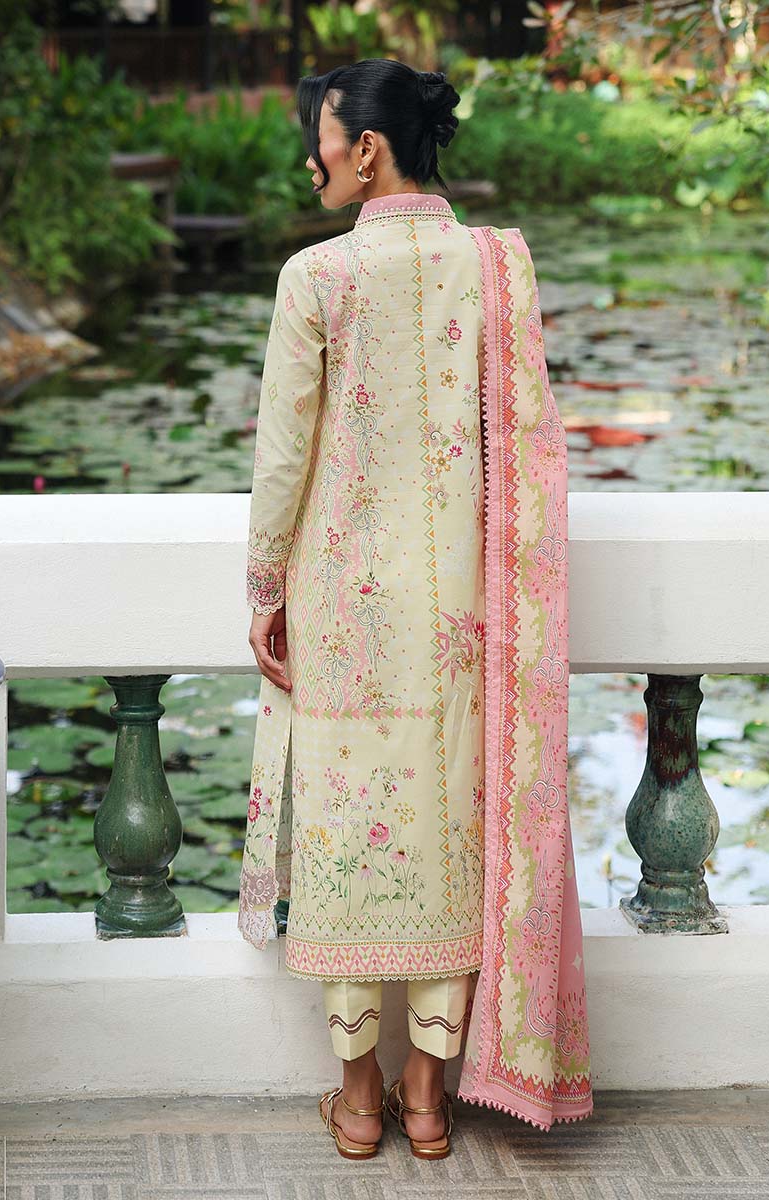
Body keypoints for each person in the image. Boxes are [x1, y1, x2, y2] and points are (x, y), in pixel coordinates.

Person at [238, 58, 593, 1160]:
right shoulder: (494, 266)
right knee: (451, 830)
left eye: (320, 139)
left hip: (343, 607)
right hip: (465, 613)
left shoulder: (315, 277)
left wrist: (265, 588)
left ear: (366, 148)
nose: (311, 161)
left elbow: (283, 457)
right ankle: (429, 1100)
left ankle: (358, 1101)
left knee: (349, 832)